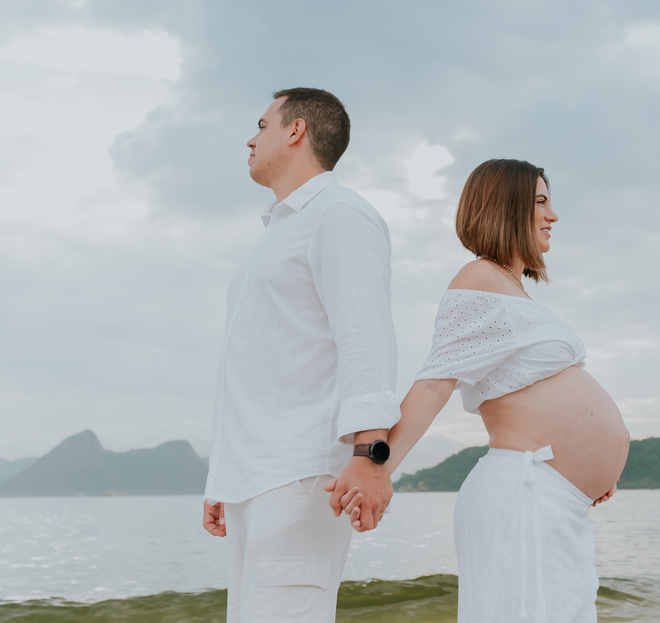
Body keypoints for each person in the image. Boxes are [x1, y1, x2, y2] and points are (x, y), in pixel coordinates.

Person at [338, 158, 629, 623]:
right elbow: (435, 384)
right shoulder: (478, 279)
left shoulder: (511, 290)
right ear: (504, 207)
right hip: (524, 495)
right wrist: (374, 465)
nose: (552, 215)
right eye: (540, 202)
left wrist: (592, 469)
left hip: (553, 500)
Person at [201, 88, 401, 623]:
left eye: (261, 124)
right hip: (255, 478)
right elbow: (252, 366)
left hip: (300, 474)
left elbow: (366, 338)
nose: (250, 137)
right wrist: (223, 477)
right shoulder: (276, 234)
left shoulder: (338, 214)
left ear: (296, 131)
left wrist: (370, 456)